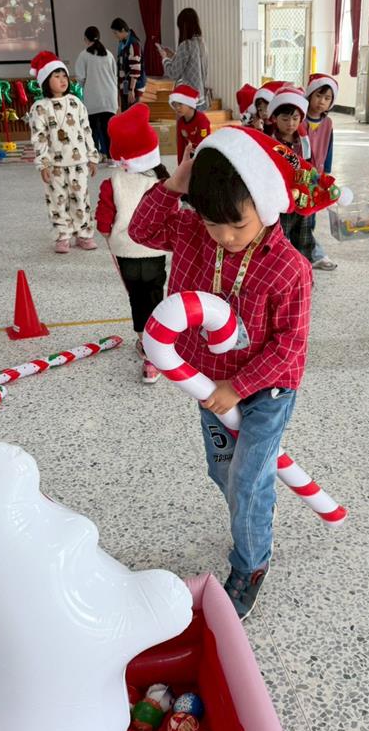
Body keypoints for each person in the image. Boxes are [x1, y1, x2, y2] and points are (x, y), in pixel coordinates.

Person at [128, 126, 338, 619]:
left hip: (266, 390)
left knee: (246, 480)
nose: (224, 236)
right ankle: (256, 508)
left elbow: (290, 347)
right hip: (208, 382)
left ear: (265, 205)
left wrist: (238, 387)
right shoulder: (192, 234)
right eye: (212, 222)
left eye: (237, 225)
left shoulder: (290, 268)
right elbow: (140, 232)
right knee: (224, 472)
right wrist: (175, 184)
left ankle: (251, 563)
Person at [95, 104, 169, 384]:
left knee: (136, 297)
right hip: (154, 251)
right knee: (154, 295)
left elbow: (104, 217)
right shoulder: (162, 180)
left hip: (125, 251)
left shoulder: (113, 181)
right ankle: (158, 346)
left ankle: (144, 343)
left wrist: (105, 230)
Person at [28, 51, 99, 254]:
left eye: (64, 76)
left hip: (79, 163)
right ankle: (63, 235)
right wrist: (43, 163)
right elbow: (39, 137)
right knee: (57, 200)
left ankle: (84, 234)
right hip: (55, 165)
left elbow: (86, 130)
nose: (62, 80)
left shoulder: (76, 103)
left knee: (81, 198)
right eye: (56, 76)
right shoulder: (39, 108)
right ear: (45, 81)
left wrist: (92, 157)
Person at [267, 86, 315, 261]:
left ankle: (304, 265)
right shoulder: (269, 140)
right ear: (274, 118)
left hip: (302, 195)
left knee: (304, 233)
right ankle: (281, 265)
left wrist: (308, 190)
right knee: (281, 232)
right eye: (285, 119)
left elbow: (308, 165)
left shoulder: (303, 141)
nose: (291, 124)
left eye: (295, 118)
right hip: (281, 197)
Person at [304, 73, 339, 271]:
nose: (322, 101)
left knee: (311, 216)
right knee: (298, 215)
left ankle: (311, 251)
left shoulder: (328, 123)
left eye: (327, 98)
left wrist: (326, 172)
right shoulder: (298, 119)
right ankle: (307, 251)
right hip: (299, 175)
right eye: (318, 96)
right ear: (310, 95)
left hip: (317, 177)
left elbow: (329, 148)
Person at [75, 26, 118, 160]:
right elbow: (115, 75)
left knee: (92, 130)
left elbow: (80, 78)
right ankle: (111, 158)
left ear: (85, 39)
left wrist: (85, 86)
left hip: (93, 98)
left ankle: (95, 157)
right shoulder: (109, 54)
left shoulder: (84, 55)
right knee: (108, 130)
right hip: (109, 98)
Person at [160, 8, 209, 110]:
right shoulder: (201, 43)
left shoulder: (186, 45)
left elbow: (173, 73)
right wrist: (174, 55)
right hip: (200, 98)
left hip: (187, 101)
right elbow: (191, 64)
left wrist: (164, 58)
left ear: (183, 26)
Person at [169, 84, 211, 163]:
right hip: (191, 153)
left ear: (189, 104)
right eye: (175, 105)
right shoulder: (180, 122)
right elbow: (180, 145)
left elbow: (202, 145)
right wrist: (180, 165)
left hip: (204, 155)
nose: (177, 108)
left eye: (180, 104)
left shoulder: (201, 120)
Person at [110, 18, 146, 111]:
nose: (115, 36)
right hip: (125, 85)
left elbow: (135, 69)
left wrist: (131, 90)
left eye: (116, 33)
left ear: (122, 30)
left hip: (134, 86)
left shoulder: (133, 44)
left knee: (132, 114)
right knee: (125, 112)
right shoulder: (122, 43)